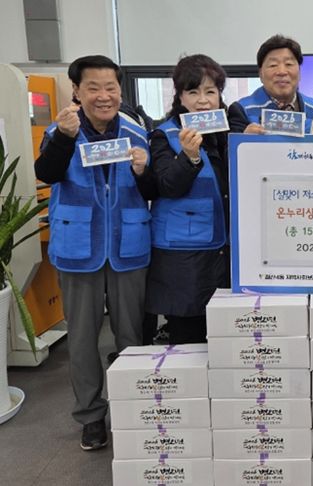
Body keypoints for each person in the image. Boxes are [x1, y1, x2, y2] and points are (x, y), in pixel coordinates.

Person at [34, 55, 154, 451]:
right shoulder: (60, 130)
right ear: (76, 91)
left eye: (111, 88)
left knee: (131, 335)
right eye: (93, 88)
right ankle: (90, 416)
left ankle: (132, 409)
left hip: (127, 246)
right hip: (78, 247)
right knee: (83, 339)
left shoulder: (136, 132)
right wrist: (64, 138)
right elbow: (47, 173)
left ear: (120, 90)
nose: (104, 96)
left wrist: (143, 171)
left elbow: (152, 188)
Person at [145, 54, 230, 345]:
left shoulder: (228, 132)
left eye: (210, 91)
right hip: (183, 257)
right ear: (180, 96)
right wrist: (189, 157)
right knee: (187, 337)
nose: (203, 101)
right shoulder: (164, 134)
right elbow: (167, 185)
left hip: (224, 252)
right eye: (193, 92)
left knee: (224, 335)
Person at [227, 34, 313, 134]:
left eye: (289, 64)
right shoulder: (242, 110)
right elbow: (231, 143)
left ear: (299, 72)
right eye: (273, 65)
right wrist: (244, 139)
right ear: (260, 74)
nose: (282, 72)